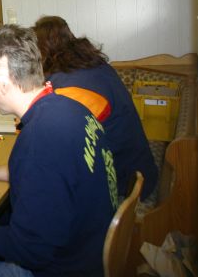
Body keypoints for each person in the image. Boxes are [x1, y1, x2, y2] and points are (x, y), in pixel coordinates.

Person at [0, 25, 118, 277]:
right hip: (87, 246)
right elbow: (47, 175)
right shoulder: (67, 107)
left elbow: (29, 250)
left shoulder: (39, 138)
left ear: (3, 82)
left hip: (62, 267)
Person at [33, 15, 157, 199]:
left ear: (43, 52)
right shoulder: (93, 65)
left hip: (124, 185)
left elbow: (62, 150)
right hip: (138, 167)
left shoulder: (71, 87)